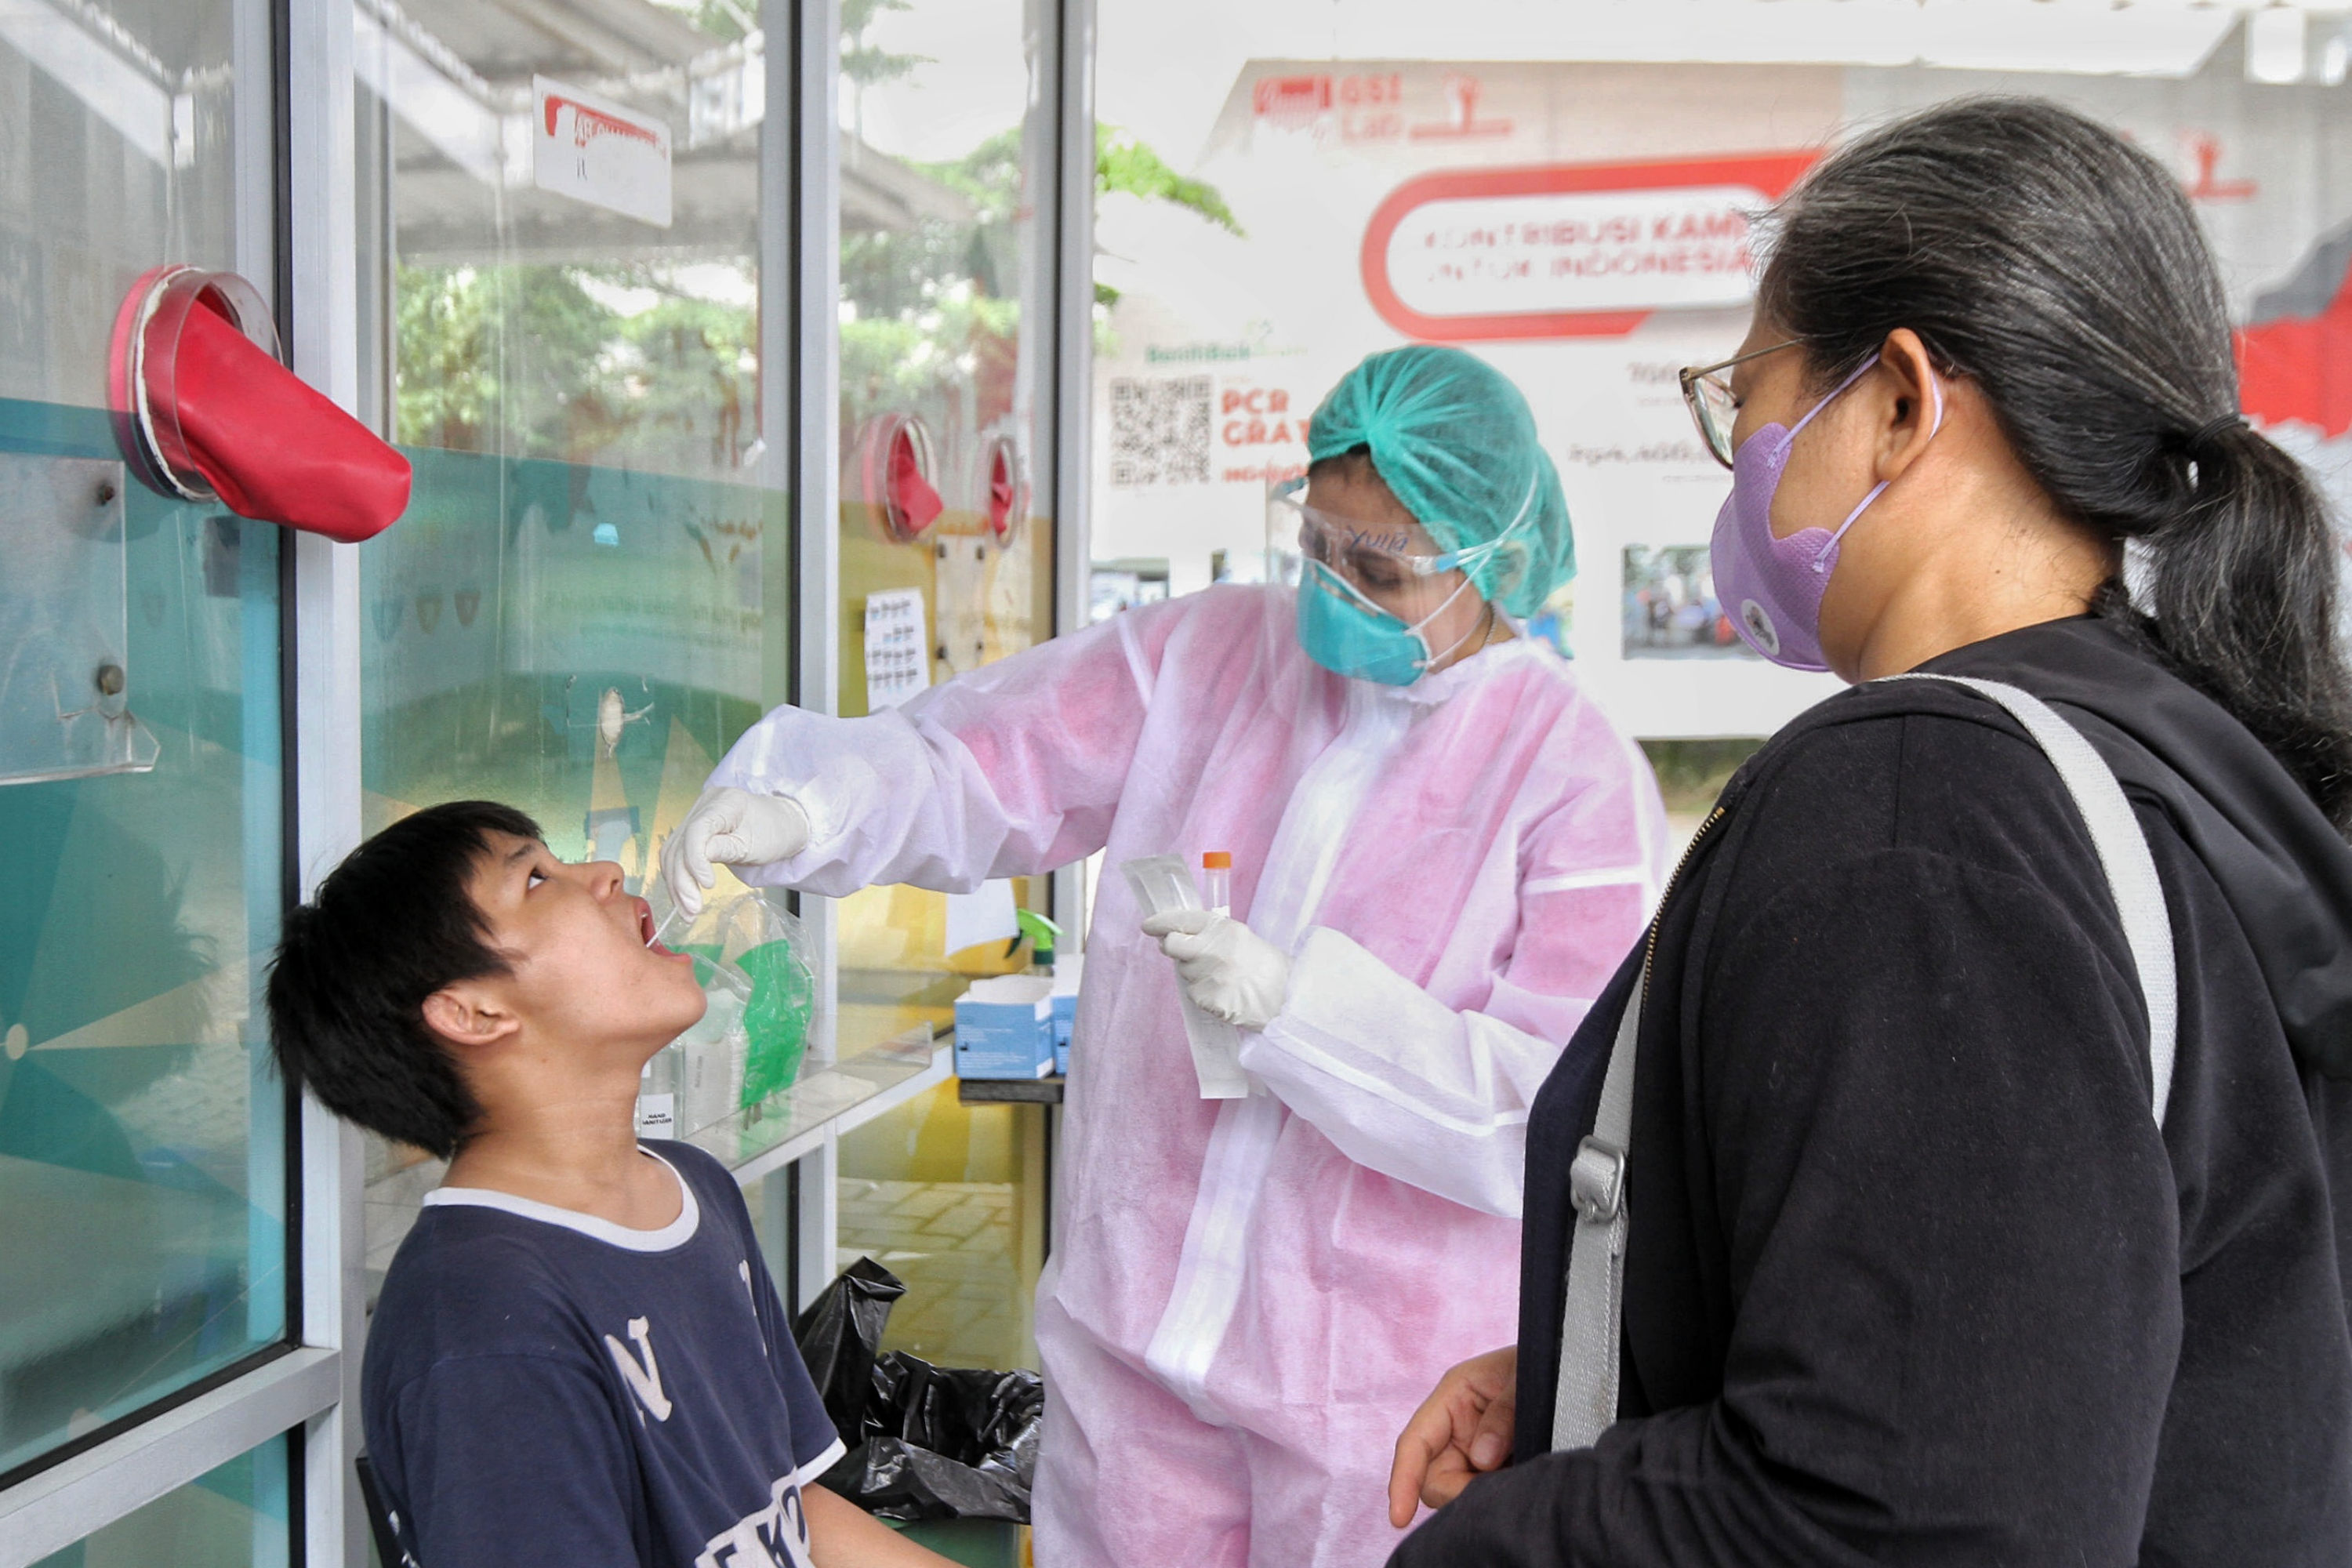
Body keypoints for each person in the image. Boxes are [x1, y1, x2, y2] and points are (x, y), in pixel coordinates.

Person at [1385, 96, 2352, 1566]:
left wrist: (1503, 1539)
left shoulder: (1923, 810)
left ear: (1899, 401)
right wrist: (1625, 1363)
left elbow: (1909, 1518)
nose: (1741, 460)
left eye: (1747, 400)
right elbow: (2081, 1340)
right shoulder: (2180, 762)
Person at [661, 346, 1667, 1566]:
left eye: (1380, 569)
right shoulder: (1207, 658)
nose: (1333, 592)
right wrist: (808, 810)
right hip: (1131, 1356)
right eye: (1317, 547)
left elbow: (1544, 1116)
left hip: (1380, 1402)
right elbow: (985, 757)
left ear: (1492, 560)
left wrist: (1301, 1015)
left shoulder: (1573, 778)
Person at [265, 800, 959, 1568]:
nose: (605, 872)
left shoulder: (694, 1189)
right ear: (473, 1009)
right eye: (535, 876)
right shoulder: (479, 1318)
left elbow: (792, 1503)